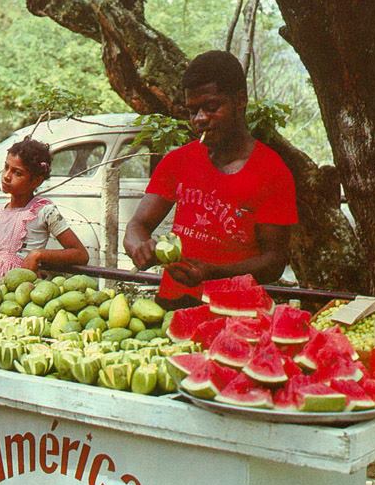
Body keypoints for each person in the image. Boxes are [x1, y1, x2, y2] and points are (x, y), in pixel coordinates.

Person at [124, 50, 298, 309]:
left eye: (211, 107)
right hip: (174, 302)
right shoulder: (179, 160)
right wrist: (139, 246)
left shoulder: (272, 171)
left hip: (237, 311)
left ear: (240, 100)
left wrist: (211, 271)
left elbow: (274, 261)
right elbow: (137, 225)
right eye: (192, 111)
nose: (200, 119)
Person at [0, 137, 89, 291]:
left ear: (36, 181)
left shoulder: (44, 211)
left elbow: (80, 254)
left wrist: (38, 255)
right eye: (6, 167)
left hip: (21, 294)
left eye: (17, 173)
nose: (6, 176)